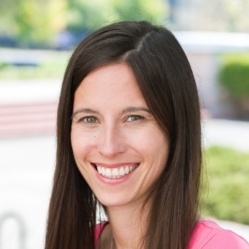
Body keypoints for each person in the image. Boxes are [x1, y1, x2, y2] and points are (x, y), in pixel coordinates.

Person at [45, 21, 249, 249]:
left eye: (134, 118)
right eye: (90, 119)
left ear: (176, 127)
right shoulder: (79, 242)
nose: (109, 147)